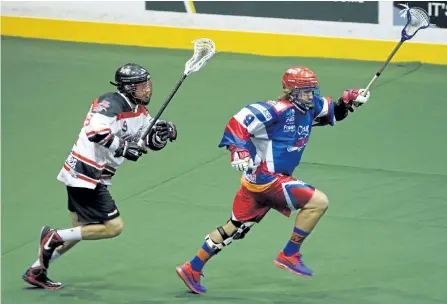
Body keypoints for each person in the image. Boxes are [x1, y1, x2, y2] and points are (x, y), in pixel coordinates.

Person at [175, 66, 370, 294]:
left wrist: (348, 102)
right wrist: (238, 149)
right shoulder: (275, 110)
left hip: (255, 183)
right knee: (318, 202)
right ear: (290, 91)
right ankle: (289, 254)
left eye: (312, 90)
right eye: (305, 91)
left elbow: (332, 112)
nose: (311, 95)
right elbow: (239, 121)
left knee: (236, 228)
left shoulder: (311, 106)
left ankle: (192, 267)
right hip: (268, 179)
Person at [22, 63, 177, 290]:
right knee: (113, 227)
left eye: (148, 84)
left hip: (90, 174)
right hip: (87, 173)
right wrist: (122, 148)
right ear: (128, 88)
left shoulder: (140, 112)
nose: (147, 90)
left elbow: (145, 142)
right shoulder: (111, 103)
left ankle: (37, 270)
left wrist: (163, 134)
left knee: (78, 231)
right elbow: (95, 131)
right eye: (142, 86)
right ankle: (53, 236)